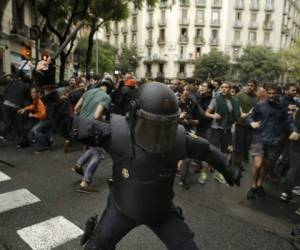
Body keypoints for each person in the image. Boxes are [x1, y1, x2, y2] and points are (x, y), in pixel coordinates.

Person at [50, 82, 241, 250]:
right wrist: (49, 89)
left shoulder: (179, 139)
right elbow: (67, 125)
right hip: (123, 208)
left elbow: (208, 151)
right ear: (134, 116)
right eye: (153, 126)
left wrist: (227, 170)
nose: (159, 134)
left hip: (161, 211)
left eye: (166, 127)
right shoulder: (115, 134)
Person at [247, 84, 293, 199]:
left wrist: (294, 129)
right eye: (269, 93)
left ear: (278, 93)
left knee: (266, 167)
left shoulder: (282, 108)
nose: (271, 95)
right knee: (257, 165)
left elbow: (287, 123)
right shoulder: (260, 105)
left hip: (274, 141)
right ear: (266, 93)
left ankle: (259, 185)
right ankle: (253, 186)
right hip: (259, 139)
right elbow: (250, 116)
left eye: (274, 93)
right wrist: (251, 122)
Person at [72, 79, 111, 192]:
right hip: (91, 128)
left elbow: (76, 108)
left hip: (78, 126)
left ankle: (79, 165)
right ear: (109, 89)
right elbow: (97, 114)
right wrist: (101, 119)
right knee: (98, 154)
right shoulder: (106, 97)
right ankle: (85, 182)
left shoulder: (88, 92)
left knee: (94, 148)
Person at [205, 82, 241, 184]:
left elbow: (237, 114)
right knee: (212, 152)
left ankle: (219, 174)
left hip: (228, 129)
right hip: (216, 129)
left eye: (226, 87)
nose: (224, 89)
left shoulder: (234, 101)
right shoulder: (216, 99)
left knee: (225, 153)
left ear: (230, 89)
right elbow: (206, 113)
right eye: (222, 87)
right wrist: (213, 116)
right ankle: (204, 172)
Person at [234, 80, 258, 170]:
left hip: (250, 125)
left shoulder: (256, 97)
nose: (249, 87)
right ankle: (237, 163)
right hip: (240, 124)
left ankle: (241, 160)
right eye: (248, 85)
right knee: (238, 145)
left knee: (246, 145)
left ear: (255, 87)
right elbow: (236, 106)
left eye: (252, 86)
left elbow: (255, 110)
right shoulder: (240, 95)